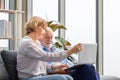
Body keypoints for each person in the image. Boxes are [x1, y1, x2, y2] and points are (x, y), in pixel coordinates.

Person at [17, 16, 83, 80]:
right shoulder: (27, 43)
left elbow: (42, 64)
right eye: (43, 28)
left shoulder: (36, 43)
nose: (44, 31)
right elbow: (46, 56)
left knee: (69, 78)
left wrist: (54, 67)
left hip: (39, 77)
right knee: (61, 78)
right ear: (35, 27)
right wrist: (70, 51)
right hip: (28, 78)